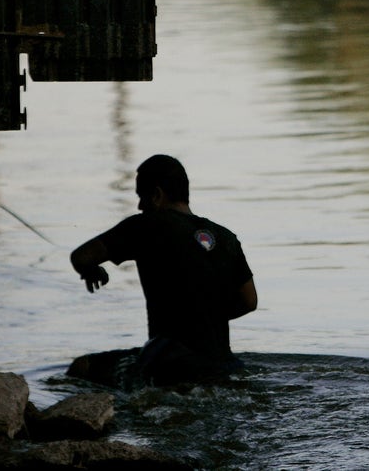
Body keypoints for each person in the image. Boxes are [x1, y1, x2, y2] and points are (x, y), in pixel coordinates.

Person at [68, 154, 258, 386]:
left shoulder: (147, 225)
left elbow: (81, 256)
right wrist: (204, 315)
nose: (139, 206)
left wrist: (90, 270)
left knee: (81, 367)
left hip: (169, 362)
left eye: (141, 197)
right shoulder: (227, 238)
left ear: (157, 195)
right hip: (223, 363)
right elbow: (249, 301)